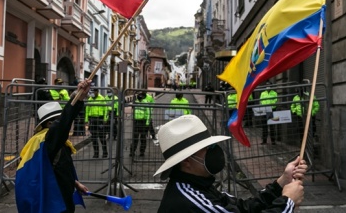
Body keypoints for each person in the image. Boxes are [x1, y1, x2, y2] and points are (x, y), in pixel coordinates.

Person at [154, 115, 306, 213]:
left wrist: (281, 183)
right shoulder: (191, 201)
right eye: (207, 149)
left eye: (212, 146)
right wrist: (288, 202)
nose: (214, 152)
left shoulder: (198, 185)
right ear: (186, 161)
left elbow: (242, 208)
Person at [15, 79, 91, 213]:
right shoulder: (48, 140)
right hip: (56, 202)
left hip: (58, 196)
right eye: (57, 120)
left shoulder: (48, 142)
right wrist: (77, 98)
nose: (66, 125)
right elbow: (63, 123)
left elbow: (56, 168)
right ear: (50, 124)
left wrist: (75, 183)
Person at [85, 88, 109, 158]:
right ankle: (96, 153)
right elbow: (87, 109)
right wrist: (86, 119)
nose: (92, 93)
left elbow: (106, 109)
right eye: (91, 92)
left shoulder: (102, 98)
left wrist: (105, 118)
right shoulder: (90, 99)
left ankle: (105, 153)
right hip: (92, 119)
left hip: (100, 119)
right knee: (94, 138)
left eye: (93, 92)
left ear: (97, 92)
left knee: (102, 138)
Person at [130, 91, 153, 157]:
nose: (140, 99)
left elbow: (148, 114)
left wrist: (147, 123)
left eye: (141, 98)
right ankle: (132, 151)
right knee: (135, 138)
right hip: (136, 122)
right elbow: (132, 109)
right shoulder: (135, 102)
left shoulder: (146, 103)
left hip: (143, 122)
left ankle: (142, 152)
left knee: (143, 138)